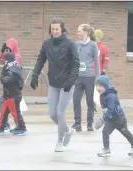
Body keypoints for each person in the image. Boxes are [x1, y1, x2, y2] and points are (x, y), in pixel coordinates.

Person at [30, 18, 79, 152]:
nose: (55, 31)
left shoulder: (70, 44)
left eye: (57, 29)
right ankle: (68, 130)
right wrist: (35, 75)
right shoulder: (47, 43)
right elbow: (40, 60)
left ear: (62, 29)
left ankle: (60, 142)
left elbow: (76, 63)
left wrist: (71, 80)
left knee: (60, 112)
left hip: (67, 83)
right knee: (52, 114)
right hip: (53, 83)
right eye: (52, 29)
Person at [94, 75, 133, 157]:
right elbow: (105, 109)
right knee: (105, 132)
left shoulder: (111, 96)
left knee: (125, 132)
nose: (98, 88)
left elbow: (110, 110)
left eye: (100, 86)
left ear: (106, 86)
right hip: (110, 120)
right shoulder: (102, 95)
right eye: (97, 86)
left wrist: (102, 120)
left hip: (119, 119)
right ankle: (106, 149)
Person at [0, 53, 27, 135]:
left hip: (13, 95)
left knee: (16, 113)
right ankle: (1, 128)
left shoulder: (13, 69)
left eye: (4, 59)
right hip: (8, 95)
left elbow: (5, 80)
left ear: (7, 60)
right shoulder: (12, 67)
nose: (3, 61)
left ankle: (21, 127)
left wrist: (2, 75)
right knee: (4, 112)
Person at [72, 24, 100, 132]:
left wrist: (98, 78)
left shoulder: (93, 45)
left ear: (86, 32)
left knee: (90, 101)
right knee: (76, 100)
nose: (78, 33)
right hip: (78, 77)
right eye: (78, 31)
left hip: (89, 77)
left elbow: (96, 62)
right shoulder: (76, 44)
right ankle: (77, 123)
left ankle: (89, 124)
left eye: (79, 31)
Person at [0, 38, 22, 130]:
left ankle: (19, 126)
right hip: (8, 88)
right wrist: (2, 52)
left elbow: (13, 72)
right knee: (4, 106)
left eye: (9, 49)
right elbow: (1, 60)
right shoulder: (10, 56)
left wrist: (3, 78)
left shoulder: (16, 57)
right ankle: (6, 125)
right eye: (6, 49)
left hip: (12, 88)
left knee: (12, 108)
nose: (7, 51)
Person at [93, 29, 110, 114]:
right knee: (91, 90)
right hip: (90, 72)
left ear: (98, 37)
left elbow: (106, 60)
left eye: (94, 36)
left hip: (99, 72)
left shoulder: (103, 47)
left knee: (99, 90)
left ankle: (104, 106)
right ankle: (93, 108)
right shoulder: (92, 45)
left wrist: (104, 70)